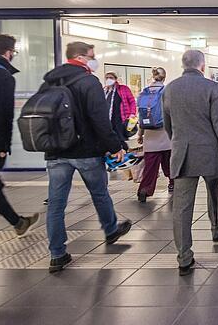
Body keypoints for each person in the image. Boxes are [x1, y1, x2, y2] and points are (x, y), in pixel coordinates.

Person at [43, 41, 132, 273]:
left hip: (55, 151)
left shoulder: (50, 80)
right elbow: (99, 118)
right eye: (92, 56)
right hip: (85, 150)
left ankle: (57, 254)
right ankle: (110, 230)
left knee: (55, 204)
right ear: (81, 58)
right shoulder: (88, 81)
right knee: (99, 193)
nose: (95, 60)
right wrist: (115, 146)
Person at [164, 50, 218, 276]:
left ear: (183, 64)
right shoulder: (211, 88)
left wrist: (178, 143)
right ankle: (216, 228)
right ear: (202, 66)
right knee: (216, 193)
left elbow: (167, 123)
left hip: (182, 155)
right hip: (209, 152)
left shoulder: (170, 89)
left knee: (182, 208)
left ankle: (184, 257)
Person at [0, 35, 39, 236]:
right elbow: (3, 114)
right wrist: (3, 147)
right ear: (7, 52)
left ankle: (18, 222)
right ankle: (18, 222)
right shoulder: (2, 77)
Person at [137, 67, 172, 202]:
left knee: (150, 167)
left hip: (150, 137)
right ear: (164, 77)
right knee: (169, 163)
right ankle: (172, 184)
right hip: (166, 135)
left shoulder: (144, 92)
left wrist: (140, 134)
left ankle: (144, 190)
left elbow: (142, 116)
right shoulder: (166, 92)